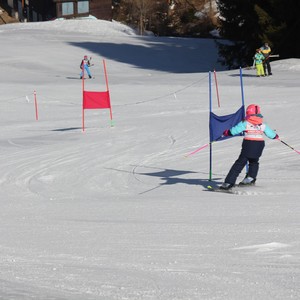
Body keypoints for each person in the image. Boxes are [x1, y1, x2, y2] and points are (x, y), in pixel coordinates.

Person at [219, 104, 279, 190]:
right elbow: (271, 134)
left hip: (249, 144)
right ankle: (250, 179)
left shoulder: (245, 122)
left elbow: (234, 131)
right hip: (259, 145)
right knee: (254, 161)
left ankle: (228, 183)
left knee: (240, 163)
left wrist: (227, 132)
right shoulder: (262, 124)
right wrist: (275, 136)